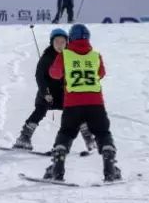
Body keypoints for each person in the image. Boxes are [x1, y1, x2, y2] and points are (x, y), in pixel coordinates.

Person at [41, 24, 119, 181]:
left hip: (73, 103)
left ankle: (57, 168)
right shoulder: (95, 55)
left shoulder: (65, 54)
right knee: (102, 133)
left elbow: (54, 74)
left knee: (66, 133)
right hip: (95, 102)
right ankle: (110, 168)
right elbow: (101, 73)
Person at [12, 29, 68, 150]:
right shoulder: (47, 57)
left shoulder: (70, 57)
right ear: (52, 42)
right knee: (40, 111)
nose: (60, 45)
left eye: (62, 42)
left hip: (64, 93)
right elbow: (39, 76)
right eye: (57, 41)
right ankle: (24, 138)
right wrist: (45, 92)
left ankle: (88, 141)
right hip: (47, 92)